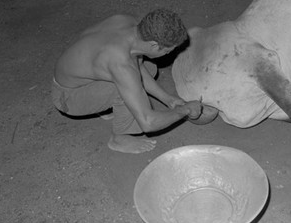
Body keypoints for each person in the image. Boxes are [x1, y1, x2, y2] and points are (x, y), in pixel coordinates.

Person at [52, 9, 203, 154]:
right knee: (127, 85)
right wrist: (184, 110)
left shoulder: (126, 22)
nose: (168, 54)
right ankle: (119, 139)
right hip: (67, 98)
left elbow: (134, 63)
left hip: (75, 74)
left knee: (147, 69)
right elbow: (148, 122)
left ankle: (103, 104)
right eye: (168, 50)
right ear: (155, 46)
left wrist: (168, 99)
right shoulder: (121, 64)